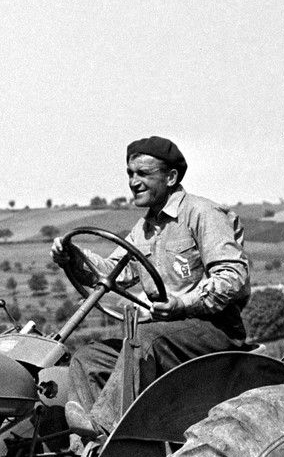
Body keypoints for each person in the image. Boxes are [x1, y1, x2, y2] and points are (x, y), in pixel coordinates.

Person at [51, 135, 250, 438]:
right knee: (87, 358)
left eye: (143, 174)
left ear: (170, 177)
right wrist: (73, 258)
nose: (133, 182)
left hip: (213, 331)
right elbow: (110, 274)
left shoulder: (202, 214)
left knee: (143, 339)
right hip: (164, 335)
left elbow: (232, 277)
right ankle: (87, 449)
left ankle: (105, 429)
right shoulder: (145, 229)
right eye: (130, 174)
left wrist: (182, 303)